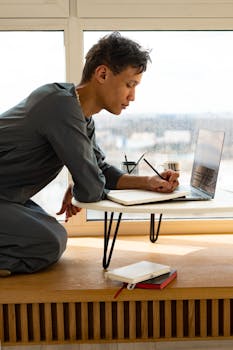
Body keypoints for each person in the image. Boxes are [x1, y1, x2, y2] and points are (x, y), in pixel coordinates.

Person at [0, 32, 179, 277]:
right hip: (5, 198)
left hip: (8, 199)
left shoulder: (81, 115)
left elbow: (100, 170)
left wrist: (149, 182)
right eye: (130, 85)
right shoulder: (58, 105)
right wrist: (81, 184)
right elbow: (92, 187)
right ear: (102, 74)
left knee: (52, 233)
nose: (132, 97)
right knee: (48, 242)